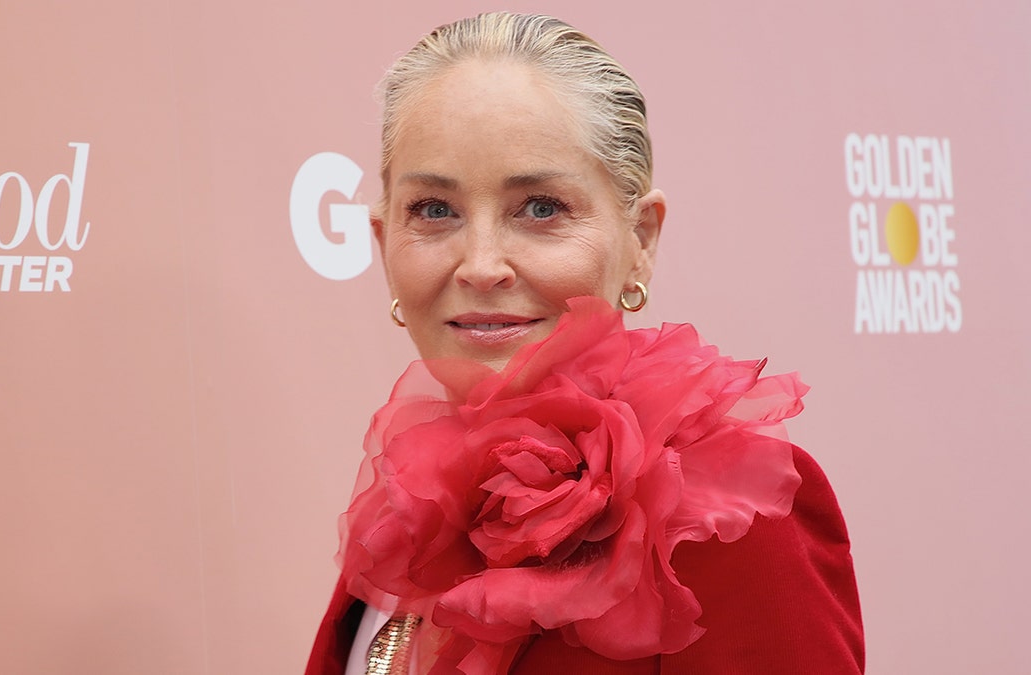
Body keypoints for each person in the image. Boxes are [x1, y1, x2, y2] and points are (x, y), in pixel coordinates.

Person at [306, 12, 863, 674]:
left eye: (540, 208)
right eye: (434, 210)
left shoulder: (733, 516)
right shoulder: (409, 515)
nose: (481, 264)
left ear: (642, 240)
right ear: (382, 239)